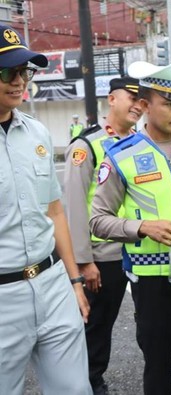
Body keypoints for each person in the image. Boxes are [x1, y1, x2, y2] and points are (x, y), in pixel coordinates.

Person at [90, 59, 171, 395]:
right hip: (150, 281)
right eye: (170, 104)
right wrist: (142, 226)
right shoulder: (120, 155)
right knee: (158, 363)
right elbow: (98, 219)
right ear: (146, 106)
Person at [0, 24, 91, 395]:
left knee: (74, 389)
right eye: (8, 72)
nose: (20, 81)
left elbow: (54, 212)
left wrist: (74, 282)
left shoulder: (37, 133)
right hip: (4, 297)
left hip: (52, 284)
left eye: (25, 71)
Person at [63, 76, 142, 395]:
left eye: (142, 100)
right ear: (112, 99)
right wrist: (84, 261)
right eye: (131, 98)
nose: (138, 105)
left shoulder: (140, 141)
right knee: (98, 324)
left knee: (154, 315)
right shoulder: (87, 145)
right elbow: (73, 207)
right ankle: (91, 379)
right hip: (103, 255)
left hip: (139, 249)